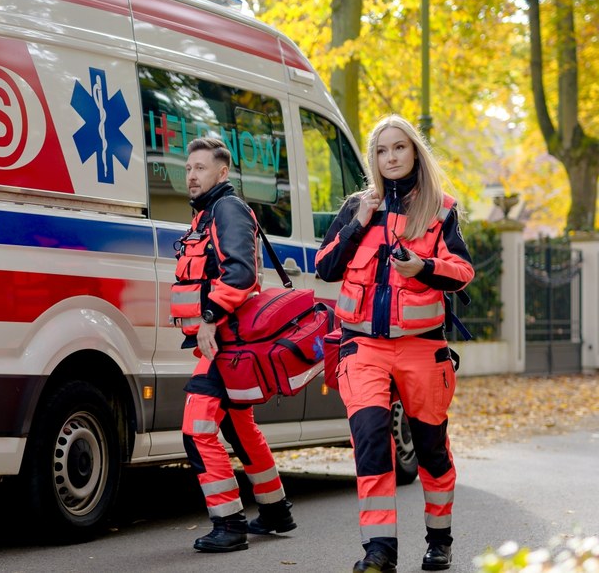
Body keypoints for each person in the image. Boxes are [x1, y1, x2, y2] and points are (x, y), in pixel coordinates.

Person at [314, 115, 473, 572]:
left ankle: (439, 539)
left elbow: (463, 273)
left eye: (399, 148)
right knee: (369, 441)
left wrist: (421, 267)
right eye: (382, 151)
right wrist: (358, 224)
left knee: (430, 449)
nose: (391, 157)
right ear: (374, 158)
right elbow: (325, 266)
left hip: (423, 349)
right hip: (361, 347)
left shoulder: (440, 209)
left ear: (414, 152)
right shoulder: (358, 206)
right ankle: (379, 551)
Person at [171, 136, 296, 553]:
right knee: (239, 426)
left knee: (197, 429)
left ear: (221, 173)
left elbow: (240, 274)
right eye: (188, 168)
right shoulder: (205, 214)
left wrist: (208, 317)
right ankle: (276, 510)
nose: (191, 175)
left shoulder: (225, 209)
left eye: (200, 168)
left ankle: (229, 524)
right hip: (222, 342)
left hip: (226, 342)